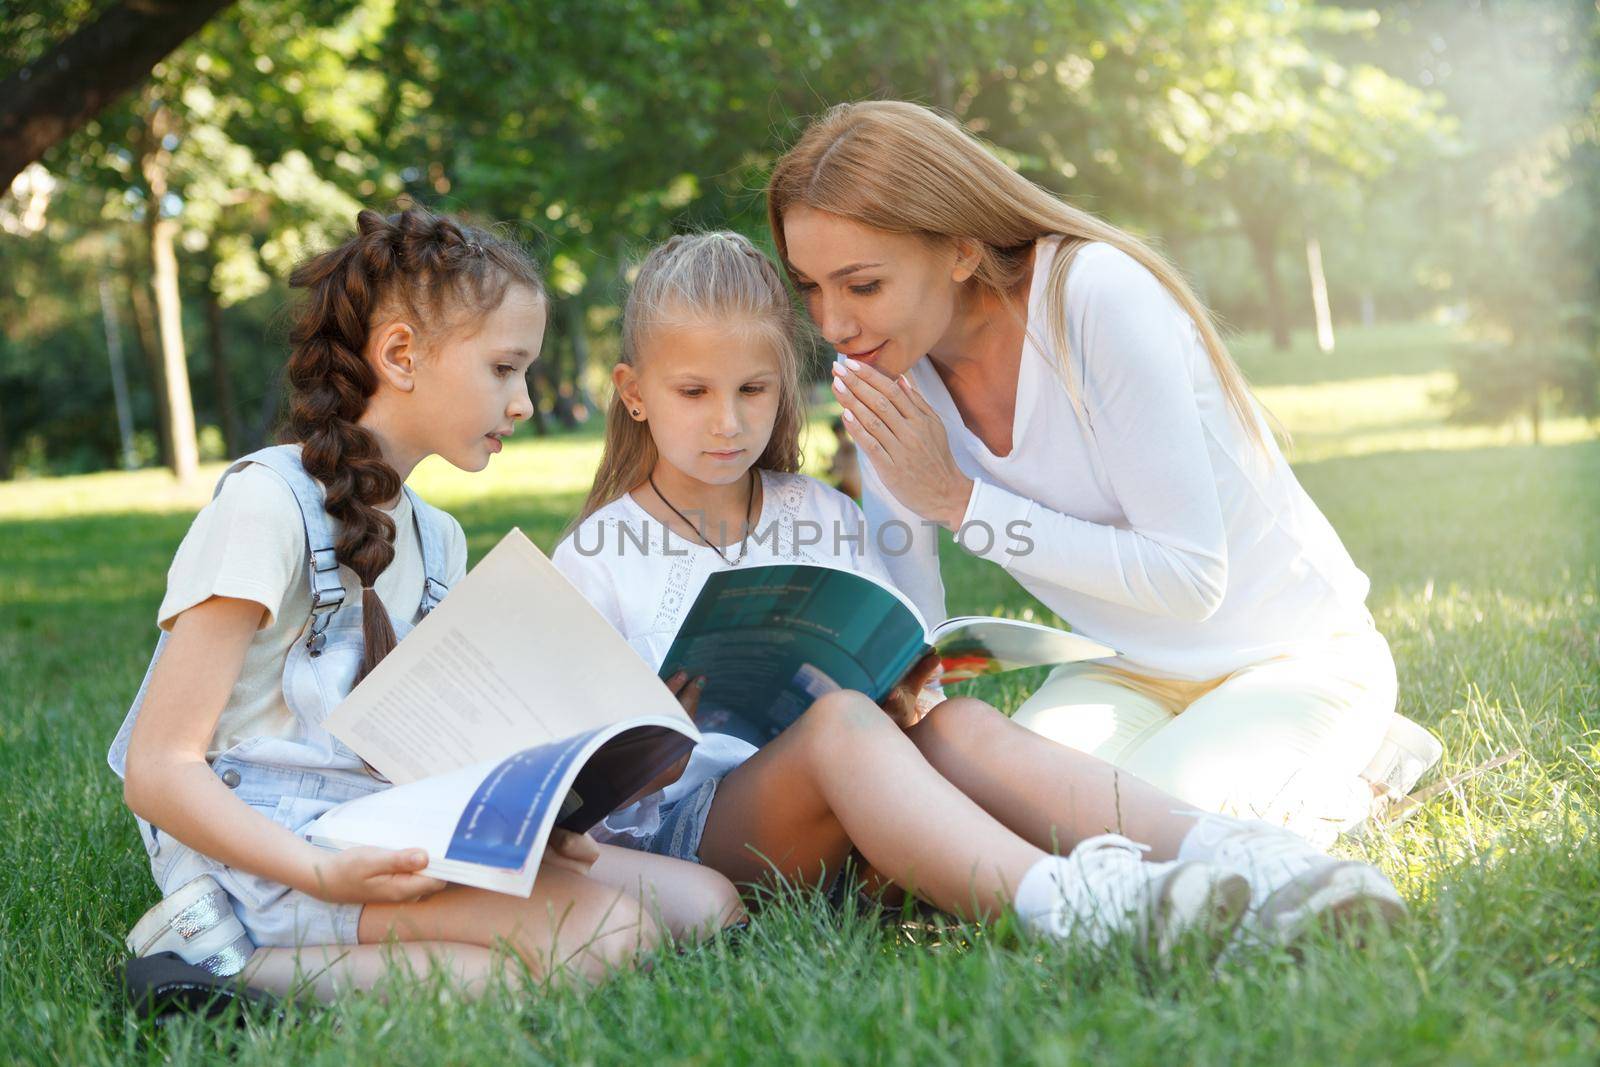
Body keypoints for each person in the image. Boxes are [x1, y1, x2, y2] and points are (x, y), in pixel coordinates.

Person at [551, 231, 1406, 963]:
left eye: (753, 390)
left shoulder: (817, 510)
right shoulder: (594, 556)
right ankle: (1070, 903)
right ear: (634, 393)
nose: (728, 423)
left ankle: (1241, 852)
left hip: (861, 805)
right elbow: (576, 800)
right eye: (693, 393)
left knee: (950, 721)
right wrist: (644, 745)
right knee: (841, 727)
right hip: (706, 837)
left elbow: (886, 642)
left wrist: (907, 681)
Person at [109, 207, 741, 1004]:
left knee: (707, 903)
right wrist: (320, 873)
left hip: (384, 821)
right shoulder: (265, 505)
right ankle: (219, 969)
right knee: (612, 937)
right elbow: (157, 770)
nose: (523, 401)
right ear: (402, 354)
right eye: (505, 368)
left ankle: (462, 970)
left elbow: (427, 745)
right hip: (275, 856)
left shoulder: (437, 538)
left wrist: (539, 825)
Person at [768, 100, 1430, 846]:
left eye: (860, 286)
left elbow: (1189, 577)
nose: (833, 325)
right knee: (992, 828)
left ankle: (1366, 767)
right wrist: (904, 698)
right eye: (811, 287)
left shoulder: (1093, 295)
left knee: (1151, 834)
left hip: (1290, 654)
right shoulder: (885, 365)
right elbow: (910, 607)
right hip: (1123, 669)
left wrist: (961, 503)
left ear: (958, 248)